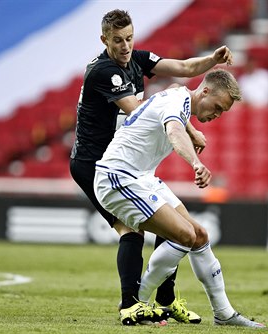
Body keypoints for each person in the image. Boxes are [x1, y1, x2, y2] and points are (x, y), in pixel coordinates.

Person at [69, 9, 234, 325]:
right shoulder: (104, 72)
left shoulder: (136, 60)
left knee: (166, 216)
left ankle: (166, 300)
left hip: (127, 164)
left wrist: (212, 60)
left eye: (129, 38)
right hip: (94, 164)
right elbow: (140, 112)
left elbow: (185, 67)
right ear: (104, 40)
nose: (125, 46)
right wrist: (189, 126)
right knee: (130, 228)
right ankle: (131, 305)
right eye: (117, 40)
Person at [94, 69, 266, 328]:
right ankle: (135, 303)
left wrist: (192, 128)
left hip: (141, 177)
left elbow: (175, 88)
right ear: (205, 91)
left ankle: (224, 313)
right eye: (217, 107)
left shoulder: (178, 96)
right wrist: (196, 163)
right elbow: (174, 132)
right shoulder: (176, 103)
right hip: (118, 177)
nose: (217, 115)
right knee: (184, 236)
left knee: (199, 236)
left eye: (223, 112)